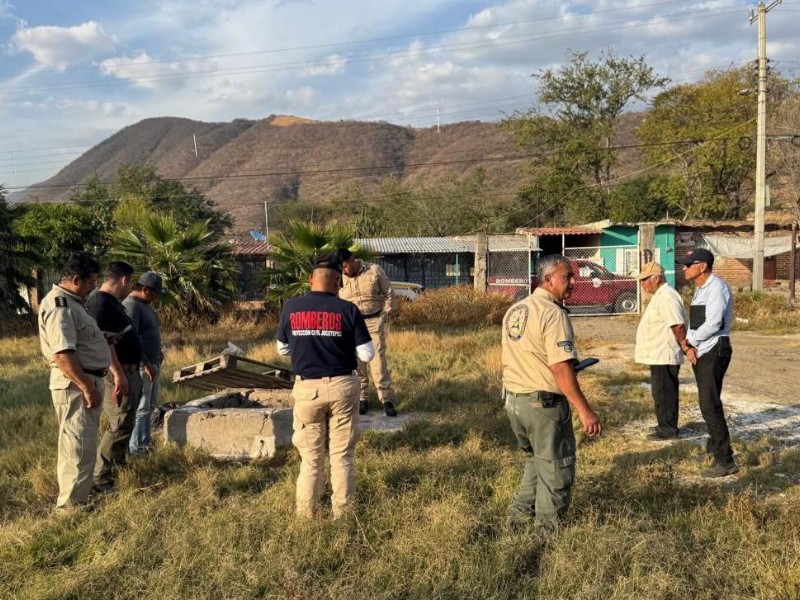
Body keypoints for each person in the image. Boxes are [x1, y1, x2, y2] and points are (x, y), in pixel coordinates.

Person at [501, 254, 602, 532]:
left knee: (536, 462)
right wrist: (584, 409)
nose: (573, 281)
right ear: (548, 279)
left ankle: (517, 521)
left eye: (572, 275)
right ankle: (545, 537)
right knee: (557, 469)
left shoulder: (516, 310)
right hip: (543, 406)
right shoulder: (553, 313)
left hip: (515, 402)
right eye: (567, 276)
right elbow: (559, 367)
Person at [276, 254, 375, 518]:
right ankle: (343, 514)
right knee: (342, 456)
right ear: (339, 283)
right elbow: (367, 354)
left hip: (307, 390)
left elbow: (282, 347)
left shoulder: (290, 308)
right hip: (343, 387)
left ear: (310, 280)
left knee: (311, 459)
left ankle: (306, 514)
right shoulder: (348, 310)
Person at [38, 251, 111, 509]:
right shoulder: (61, 306)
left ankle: (79, 497)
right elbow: (63, 354)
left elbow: (76, 342)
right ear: (76, 279)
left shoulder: (73, 304)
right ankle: (72, 507)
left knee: (81, 442)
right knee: (78, 445)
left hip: (83, 381)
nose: (94, 287)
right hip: (76, 385)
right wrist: (87, 387)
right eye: (92, 282)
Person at [677, 248, 739, 478]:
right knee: (708, 401)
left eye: (688, 264)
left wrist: (689, 341)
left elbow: (713, 323)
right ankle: (714, 449)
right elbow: (697, 323)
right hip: (702, 350)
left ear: (702, 266)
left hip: (715, 349)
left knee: (709, 405)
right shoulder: (700, 289)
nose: (684, 268)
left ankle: (725, 460)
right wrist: (690, 347)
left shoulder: (717, 288)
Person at [85, 261, 143, 492]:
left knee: (126, 422)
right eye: (129, 283)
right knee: (118, 425)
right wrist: (119, 374)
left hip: (129, 371)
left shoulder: (112, 303)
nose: (129, 289)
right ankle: (101, 478)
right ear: (124, 280)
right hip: (118, 375)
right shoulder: (100, 304)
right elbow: (104, 344)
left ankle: (117, 467)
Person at [337, 248, 397, 417]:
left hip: (373, 321)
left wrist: (384, 315)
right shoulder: (339, 277)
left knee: (378, 361)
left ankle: (387, 400)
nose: (343, 270)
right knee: (356, 363)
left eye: (345, 266)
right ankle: (362, 399)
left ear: (353, 260)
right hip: (351, 325)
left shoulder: (374, 270)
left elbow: (388, 293)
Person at [634, 262, 689, 441]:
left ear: (656, 278)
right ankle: (664, 424)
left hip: (664, 353)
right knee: (661, 392)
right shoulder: (661, 295)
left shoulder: (667, 297)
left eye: (645, 280)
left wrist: (684, 345)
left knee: (665, 392)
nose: (642, 284)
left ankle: (668, 429)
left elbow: (678, 325)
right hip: (659, 353)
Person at [124, 272, 164, 455]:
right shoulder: (132, 305)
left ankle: (145, 442)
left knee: (150, 406)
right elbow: (131, 338)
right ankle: (137, 447)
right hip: (143, 366)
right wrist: (145, 362)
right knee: (142, 407)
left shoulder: (145, 305)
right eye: (155, 293)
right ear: (145, 289)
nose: (156, 297)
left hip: (153, 362)